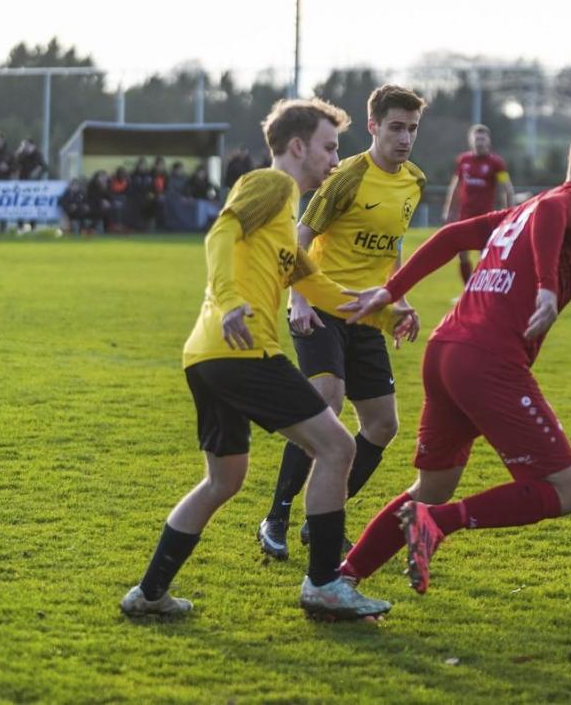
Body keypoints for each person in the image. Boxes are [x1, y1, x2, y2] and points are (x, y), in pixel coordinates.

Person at [120, 98, 411, 622]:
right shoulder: (272, 185)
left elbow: (318, 286)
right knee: (338, 446)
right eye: (328, 147)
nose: (334, 159)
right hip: (245, 351)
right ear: (297, 146)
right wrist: (232, 301)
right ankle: (324, 584)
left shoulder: (282, 221)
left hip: (208, 357)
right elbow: (219, 233)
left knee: (223, 481)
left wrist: (388, 318)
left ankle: (150, 592)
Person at [333, 121, 571, 599]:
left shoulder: (526, 206)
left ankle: (343, 578)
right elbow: (556, 213)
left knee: (431, 486)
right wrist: (544, 286)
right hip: (486, 361)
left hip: (446, 352)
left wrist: (391, 290)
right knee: (566, 491)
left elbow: (453, 235)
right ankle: (437, 524)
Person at [257, 84, 427, 561]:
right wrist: (300, 298)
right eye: (396, 127)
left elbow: (391, 250)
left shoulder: (414, 181)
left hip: (367, 313)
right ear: (373, 126)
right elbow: (302, 234)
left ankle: (321, 514)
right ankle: (278, 515)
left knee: (382, 425)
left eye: (412, 129)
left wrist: (400, 301)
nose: (405, 138)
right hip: (322, 307)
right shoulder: (346, 176)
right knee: (325, 405)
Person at [441, 124, 514, 283]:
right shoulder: (463, 160)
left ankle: (484, 289)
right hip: (465, 215)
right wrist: (449, 209)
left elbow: (506, 189)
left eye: (482, 138)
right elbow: (456, 186)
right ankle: (468, 290)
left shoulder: (496, 163)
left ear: (488, 141)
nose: (479, 142)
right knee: (462, 253)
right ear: (471, 140)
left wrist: (509, 212)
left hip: (485, 217)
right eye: (477, 138)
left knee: (486, 254)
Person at [15, 138, 49, 232]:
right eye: (24, 145)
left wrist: (38, 170)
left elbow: (45, 167)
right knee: (21, 206)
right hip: (22, 184)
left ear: (33, 146)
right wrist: (20, 152)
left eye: (27, 145)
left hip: (34, 186)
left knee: (33, 206)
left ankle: (32, 227)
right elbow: (14, 164)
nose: (26, 147)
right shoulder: (21, 154)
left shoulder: (38, 154)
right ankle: (20, 227)